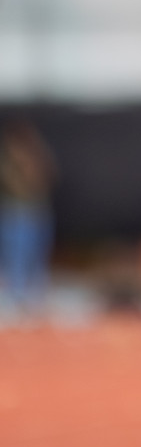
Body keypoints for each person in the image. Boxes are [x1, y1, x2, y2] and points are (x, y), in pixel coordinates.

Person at [0, 119, 56, 319]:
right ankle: (16, 300)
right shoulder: (7, 161)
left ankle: (35, 300)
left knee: (37, 256)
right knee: (16, 258)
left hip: (37, 212)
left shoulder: (38, 156)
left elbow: (49, 177)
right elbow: (13, 186)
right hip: (16, 213)